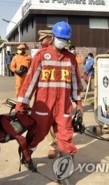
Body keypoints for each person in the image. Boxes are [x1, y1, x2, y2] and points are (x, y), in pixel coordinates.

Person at [15, 21, 83, 184]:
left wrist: (78, 102)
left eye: (65, 39)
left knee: (66, 139)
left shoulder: (70, 58)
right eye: (60, 38)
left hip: (63, 108)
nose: (62, 41)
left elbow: (75, 83)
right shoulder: (41, 55)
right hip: (43, 106)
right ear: (53, 37)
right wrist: (21, 104)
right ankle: (26, 155)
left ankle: (63, 174)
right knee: (37, 135)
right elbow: (29, 82)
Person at [38, 30, 58, 159]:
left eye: (42, 39)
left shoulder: (64, 55)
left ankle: (61, 142)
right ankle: (52, 146)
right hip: (46, 94)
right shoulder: (41, 55)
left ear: (50, 39)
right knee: (49, 121)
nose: (40, 42)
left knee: (60, 121)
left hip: (61, 94)